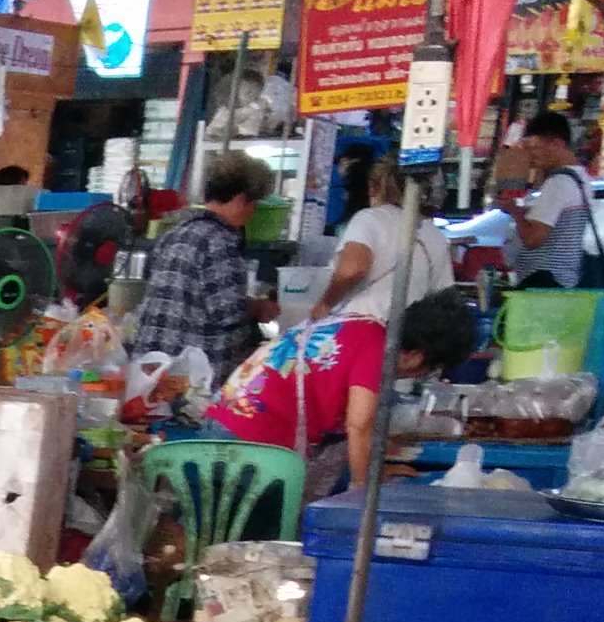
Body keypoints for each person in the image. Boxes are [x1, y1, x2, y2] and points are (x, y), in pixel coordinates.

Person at [202, 289, 479, 493]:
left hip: (217, 426)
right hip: (250, 449)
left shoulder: (358, 325)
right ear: (417, 357)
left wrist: (373, 467)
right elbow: (358, 425)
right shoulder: (377, 348)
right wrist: (363, 489)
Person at [133, 150, 275, 378]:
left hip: (152, 369)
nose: (253, 212)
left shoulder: (174, 233)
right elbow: (229, 313)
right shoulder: (220, 241)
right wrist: (259, 307)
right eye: (254, 204)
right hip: (193, 381)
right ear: (240, 200)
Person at [313, 156, 458, 325]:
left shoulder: (369, 219)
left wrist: (325, 304)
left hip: (360, 330)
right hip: (408, 338)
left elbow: (351, 269)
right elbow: (444, 297)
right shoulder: (434, 234)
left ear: (373, 188)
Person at [511, 109, 603, 289]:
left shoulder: (559, 183)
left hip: (546, 281)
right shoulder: (580, 177)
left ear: (556, 143)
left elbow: (533, 238)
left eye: (535, 149)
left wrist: (514, 211)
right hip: (566, 279)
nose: (531, 156)